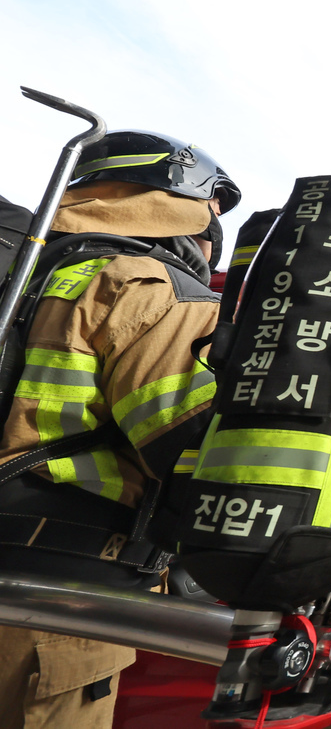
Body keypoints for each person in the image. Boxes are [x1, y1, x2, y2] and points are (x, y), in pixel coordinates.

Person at [0, 130, 238, 729]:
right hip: (55, 600)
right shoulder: (150, 287)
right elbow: (189, 452)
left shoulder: (21, 267)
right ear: (188, 204)